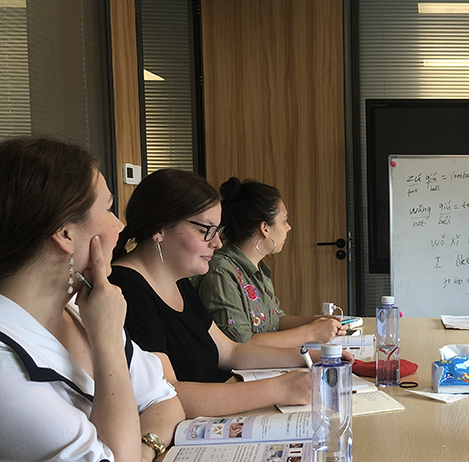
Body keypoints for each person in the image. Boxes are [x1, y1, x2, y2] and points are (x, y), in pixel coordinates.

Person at [0, 137, 184, 462]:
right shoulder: (6, 358)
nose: (120, 226)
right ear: (65, 234)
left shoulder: (79, 308)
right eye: (109, 208)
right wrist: (107, 342)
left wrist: (142, 452)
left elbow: (166, 402)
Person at [109, 169, 316, 419]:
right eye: (205, 230)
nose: (217, 243)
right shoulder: (126, 289)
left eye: (217, 230)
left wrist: (311, 358)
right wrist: (278, 389)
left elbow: (231, 352)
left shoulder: (178, 281)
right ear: (160, 228)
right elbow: (164, 395)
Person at [195, 177, 346, 346]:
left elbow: (276, 320)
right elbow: (239, 345)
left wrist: (320, 322)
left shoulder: (257, 269)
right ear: (265, 228)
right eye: (284, 221)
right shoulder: (221, 272)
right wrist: (311, 332)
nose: (288, 227)